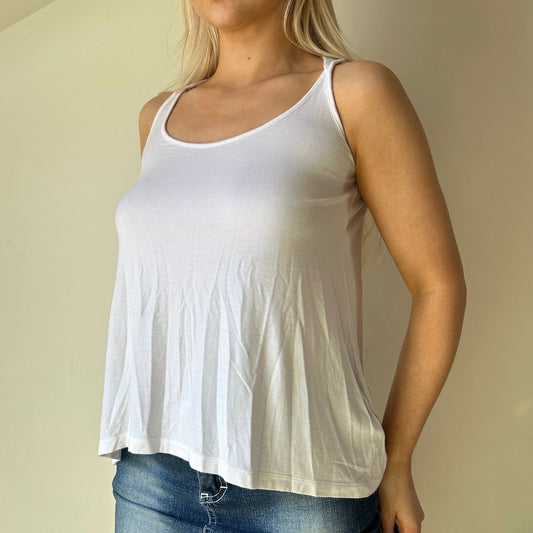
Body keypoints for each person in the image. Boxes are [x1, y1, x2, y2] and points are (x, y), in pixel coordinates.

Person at [97, 1, 467, 532]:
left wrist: (398, 461)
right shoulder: (156, 117)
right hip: (153, 480)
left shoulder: (352, 94)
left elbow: (438, 285)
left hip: (305, 492)